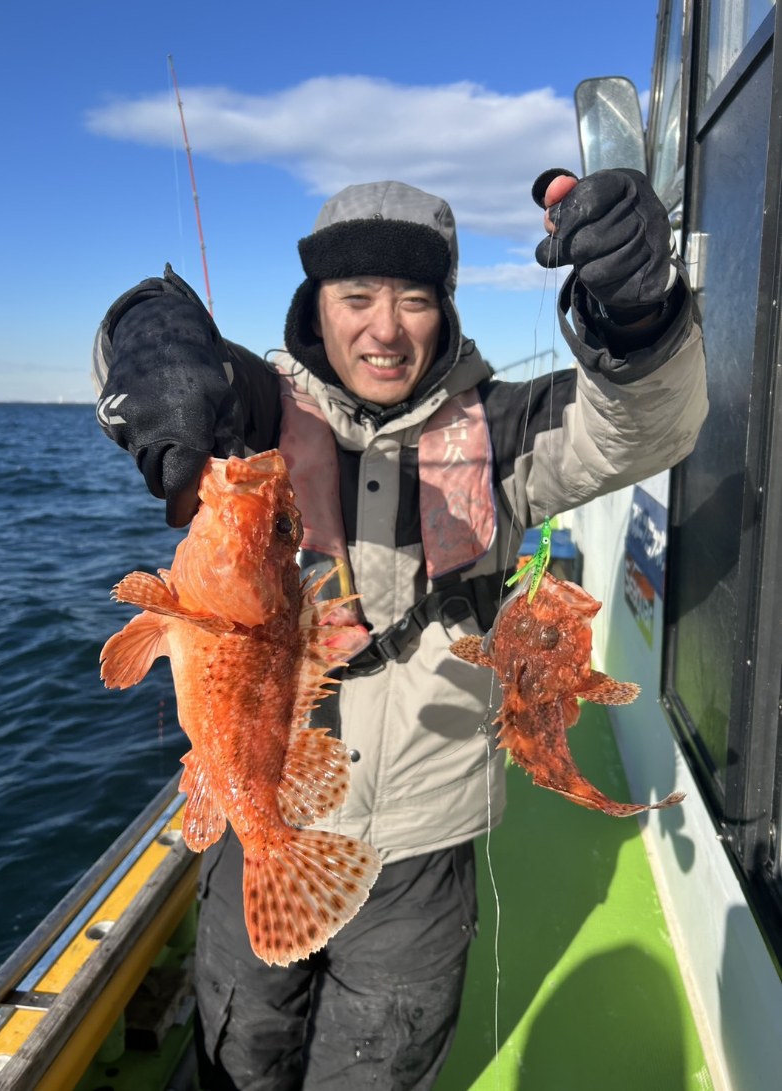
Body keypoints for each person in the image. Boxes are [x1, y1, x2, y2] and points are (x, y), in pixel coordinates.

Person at [93, 171, 707, 1090]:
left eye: (414, 299)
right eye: (356, 297)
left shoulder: (504, 427)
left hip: (423, 842)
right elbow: (155, 375)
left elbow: (646, 428)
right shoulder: (254, 409)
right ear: (315, 305)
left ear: (445, 308)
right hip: (264, 814)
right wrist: (147, 325)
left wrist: (639, 317)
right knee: (238, 1055)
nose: (385, 329)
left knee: (378, 1066)